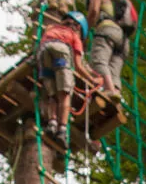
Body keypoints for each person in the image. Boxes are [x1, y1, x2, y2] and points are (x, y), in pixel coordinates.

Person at [38, 10, 101, 149]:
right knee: (65, 94)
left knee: (52, 94)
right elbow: (78, 66)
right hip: (61, 52)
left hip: (43, 52)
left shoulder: (51, 29)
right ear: (78, 27)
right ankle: (62, 130)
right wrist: (92, 80)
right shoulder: (74, 36)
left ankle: (52, 123)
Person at [87, 0, 137, 98]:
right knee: (114, 70)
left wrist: (85, 31)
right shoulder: (114, 7)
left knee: (99, 60)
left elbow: (94, 11)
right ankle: (116, 94)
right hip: (124, 40)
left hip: (108, 31)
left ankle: (109, 89)